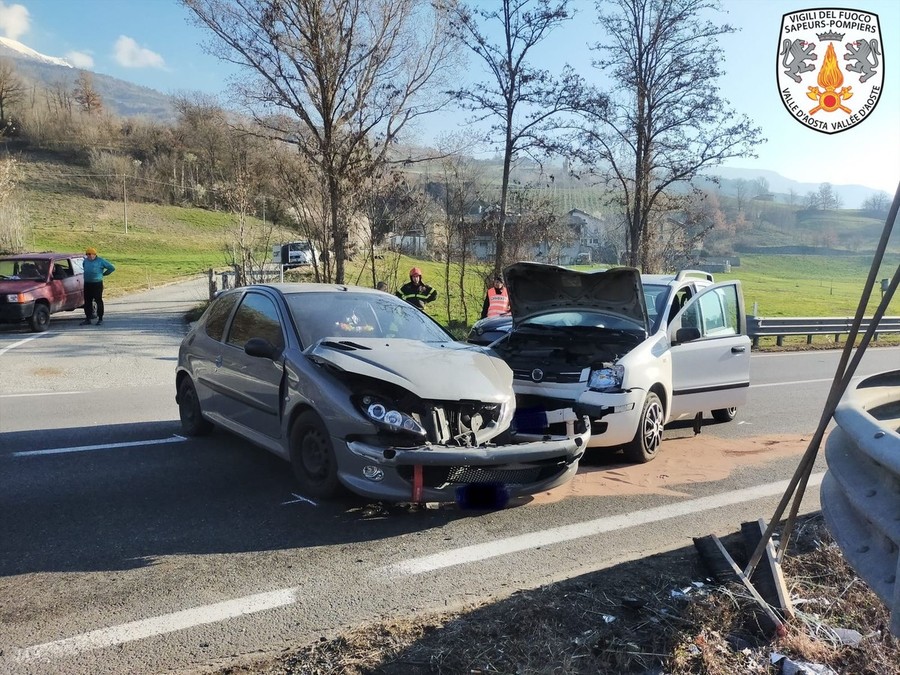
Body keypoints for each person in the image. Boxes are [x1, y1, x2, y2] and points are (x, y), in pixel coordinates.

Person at [81, 247, 115, 325]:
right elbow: (84, 267)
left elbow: (112, 268)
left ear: (94, 254)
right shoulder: (85, 261)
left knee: (98, 300)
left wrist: (104, 274)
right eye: (87, 254)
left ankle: (100, 318)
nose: (89, 256)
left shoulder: (100, 261)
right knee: (87, 301)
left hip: (97, 284)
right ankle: (88, 318)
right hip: (87, 283)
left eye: (90, 254)